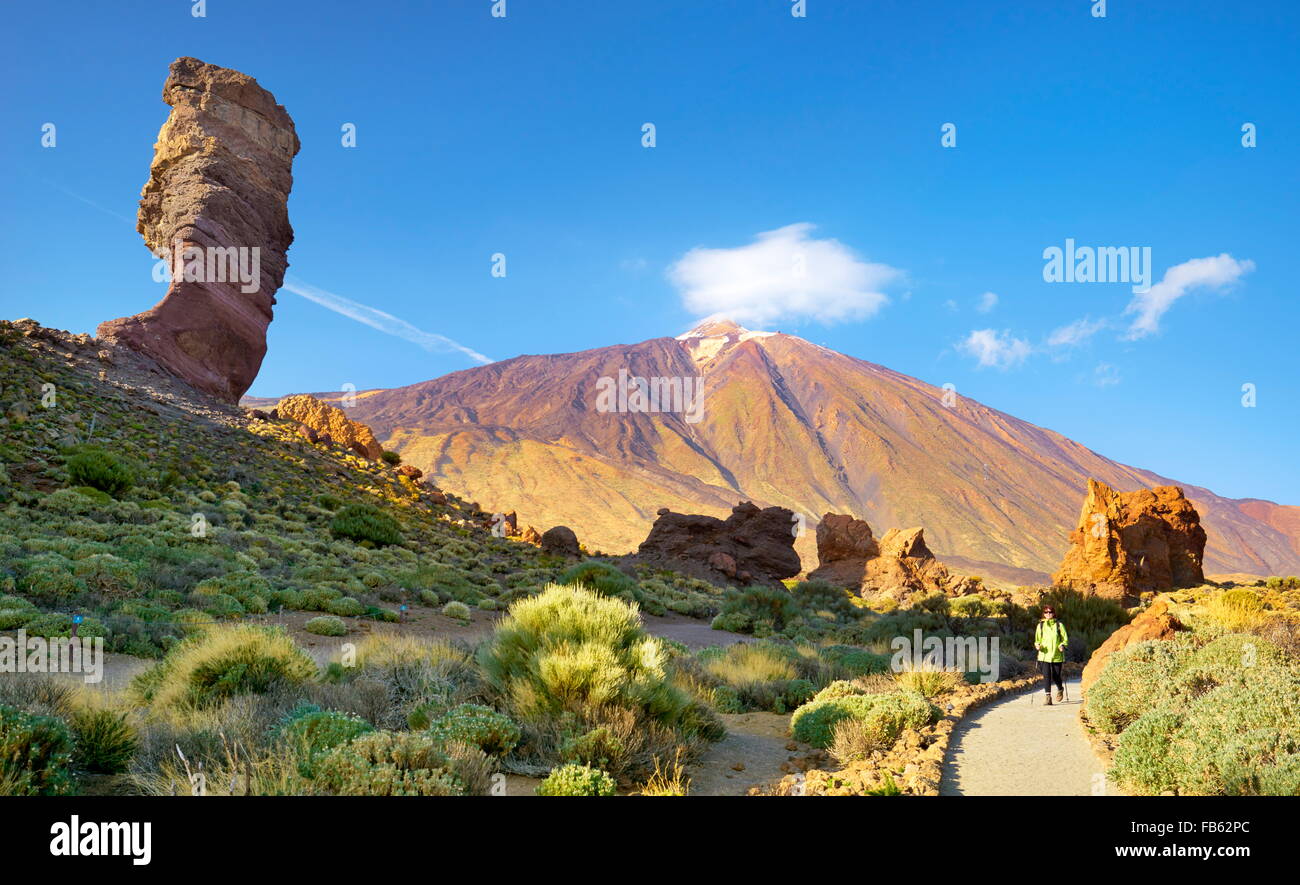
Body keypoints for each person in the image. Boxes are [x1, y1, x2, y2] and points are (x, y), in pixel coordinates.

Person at [1034, 604, 1068, 705]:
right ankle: (1048, 697)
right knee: (1046, 676)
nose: (1048, 614)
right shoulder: (1040, 625)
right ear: (1043, 614)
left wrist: (1062, 645)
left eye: (1050, 612)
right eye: (1046, 612)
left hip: (1057, 655)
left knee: (1056, 676)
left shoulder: (1059, 625)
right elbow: (1037, 640)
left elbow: (1065, 639)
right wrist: (1037, 645)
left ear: (1054, 613)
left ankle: (1060, 689)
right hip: (1044, 655)